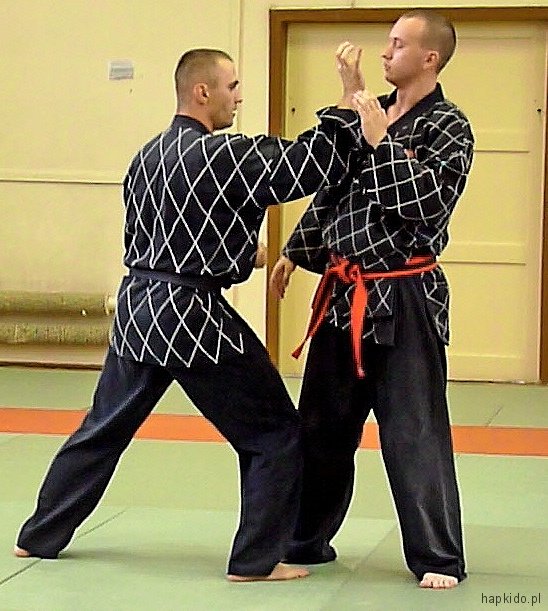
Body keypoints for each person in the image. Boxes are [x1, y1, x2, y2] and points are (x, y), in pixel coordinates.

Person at [13, 45, 367, 582]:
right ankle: (255, 561)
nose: (239, 97)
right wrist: (347, 99)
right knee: (275, 433)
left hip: (138, 311)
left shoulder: (147, 156)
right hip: (192, 316)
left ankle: (38, 536)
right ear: (202, 92)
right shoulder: (223, 156)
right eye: (232, 86)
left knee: (102, 429)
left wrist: (239, 254)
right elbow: (308, 164)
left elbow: (175, 233)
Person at [270, 10, 474, 589]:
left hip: (406, 297)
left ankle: (438, 557)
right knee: (322, 426)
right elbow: (334, 190)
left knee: (413, 430)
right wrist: (296, 250)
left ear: (430, 58)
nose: (385, 53)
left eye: (398, 44)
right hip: (345, 293)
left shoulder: (449, 127)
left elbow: (425, 204)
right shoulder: (372, 111)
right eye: (387, 42)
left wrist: (382, 141)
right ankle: (305, 538)